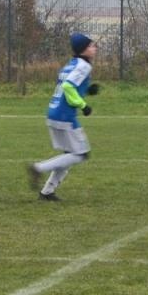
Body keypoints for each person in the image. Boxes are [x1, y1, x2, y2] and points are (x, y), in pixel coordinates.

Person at [26, 32, 100, 202]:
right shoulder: (83, 66)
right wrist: (84, 105)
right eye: (90, 45)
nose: (94, 48)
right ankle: (38, 168)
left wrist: (87, 90)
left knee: (69, 154)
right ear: (82, 49)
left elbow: (67, 84)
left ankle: (47, 192)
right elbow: (68, 87)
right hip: (65, 116)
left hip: (54, 112)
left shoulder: (72, 64)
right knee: (82, 154)